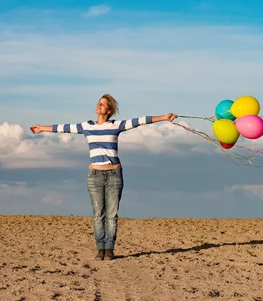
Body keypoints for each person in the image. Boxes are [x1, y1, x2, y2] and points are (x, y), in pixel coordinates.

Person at [30, 94, 177, 261]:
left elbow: (140, 121)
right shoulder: (87, 126)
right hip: (95, 175)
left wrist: (164, 117)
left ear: (109, 110)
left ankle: (110, 249)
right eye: (98, 103)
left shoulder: (116, 125)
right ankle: (100, 248)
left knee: (112, 214)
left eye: (103, 104)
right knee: (98, 214)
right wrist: (42, 128)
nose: (99, 106)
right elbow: (64, 128)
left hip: (114, 175)